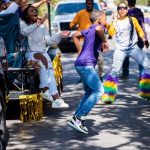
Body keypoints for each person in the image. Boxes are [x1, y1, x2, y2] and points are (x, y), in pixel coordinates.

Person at [20, 5, 70, 108]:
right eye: (31, 10)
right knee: (44, 60)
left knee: (49, 70)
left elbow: (49, 41)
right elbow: (24, 32)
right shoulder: (23, 23)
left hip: (42, 53)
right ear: (26, 14)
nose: (35, 12)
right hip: (29, 53)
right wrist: (38, 23)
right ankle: (47, 92)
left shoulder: (43, 27)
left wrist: (60, 35)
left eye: (35, 10)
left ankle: (53, 96)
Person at [68, 10, 109, 134]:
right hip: (86, 66)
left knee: (88, 92)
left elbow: (75, 35)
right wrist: (105, 41)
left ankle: (76, 117)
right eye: (105, 19)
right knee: (99, 90)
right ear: (100, 19)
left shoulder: (89, 29)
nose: (106, 21)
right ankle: (79, 117)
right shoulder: (98, 27)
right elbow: (98, 29)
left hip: (81, 64)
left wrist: (79, 50)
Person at [101, 2, 150, 104]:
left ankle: (147, 92)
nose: (122, 9)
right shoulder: (116, 21)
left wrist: (144, 39)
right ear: (118, 10)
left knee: (148, 66)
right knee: (115, 71)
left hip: (133, 48)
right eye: (120, 8)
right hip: (120, 49)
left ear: (127, 9)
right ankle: (108, 96)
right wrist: (114, 22)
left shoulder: (133, 19)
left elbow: (140, 30)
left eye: (124, 8)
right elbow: (110, 33)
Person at [70, 0, 105, 81]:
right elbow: (72, 23)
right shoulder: (80, 13)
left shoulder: (96, 14)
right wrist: (73, 26)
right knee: (85, 58)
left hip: (95, 40)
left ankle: (101, 76)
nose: (90, 5)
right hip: (83, 39)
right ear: (86, 4)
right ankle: (85, 77)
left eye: (91, 4)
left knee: (100, 59)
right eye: (88, 4)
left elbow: (102, 25)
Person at [121, 0, 149, 80]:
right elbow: (142, 25)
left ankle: (125, 74)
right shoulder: (140, 12)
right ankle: (142, 75)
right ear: (135, 3)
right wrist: (145, 38)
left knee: (125, 56)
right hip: (139, 38)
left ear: (128, 3)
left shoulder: (126, 13)